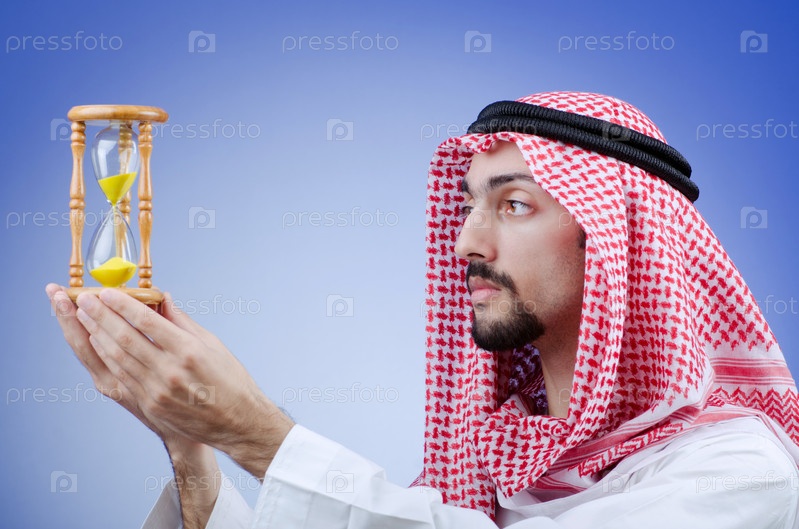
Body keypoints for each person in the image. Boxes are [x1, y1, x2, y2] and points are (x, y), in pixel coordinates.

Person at [47, 91, 799, 529]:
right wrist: (192, 447)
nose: (465, 241)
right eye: (468, 205)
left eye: (513, 204)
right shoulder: (499, 458)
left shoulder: (737, 475)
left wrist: (256, 432)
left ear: (619, 242)